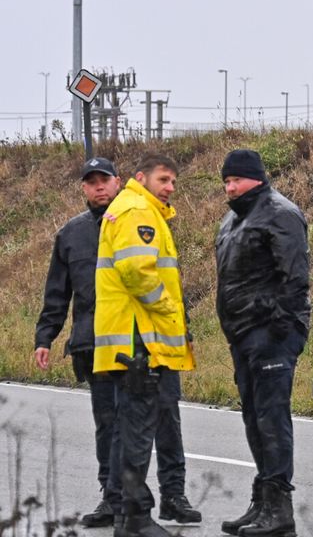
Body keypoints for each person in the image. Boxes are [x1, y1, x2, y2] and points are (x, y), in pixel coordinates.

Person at [93, 154, 199, 537]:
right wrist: (169, 309)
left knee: (131, 427)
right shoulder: (139, 210)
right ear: (141, 178)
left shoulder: (137, 208)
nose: (170, 188)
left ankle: (127, 513)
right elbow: (138, 271)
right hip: (141, 339)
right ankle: (135, 519)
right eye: (163, 179)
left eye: (173, 181)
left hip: (134, 338)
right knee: (138, 429)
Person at [215, 149, 310, 537]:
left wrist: (277, 329)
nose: (230, 187)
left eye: (235, 179)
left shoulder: (280, 212)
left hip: (271, 334)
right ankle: (263, 499)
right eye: (226, 181)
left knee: (272, 416)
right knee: (253, 417)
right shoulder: (232, 219)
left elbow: (294, 278)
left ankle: (280, 508)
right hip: (242, 336)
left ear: (254, 177)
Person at [33, 157, 122, 527]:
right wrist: (45, 337)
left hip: (132, 343)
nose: (99, 187)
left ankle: (131, 497)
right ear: (83, 188)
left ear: (118, 183)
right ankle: (110, 496)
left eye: (105, 180)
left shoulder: (137, 224)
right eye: (91, 182)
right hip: (89, 343)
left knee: (129, 423)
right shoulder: (70, 234)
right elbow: (57, 292)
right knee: (106, 423)